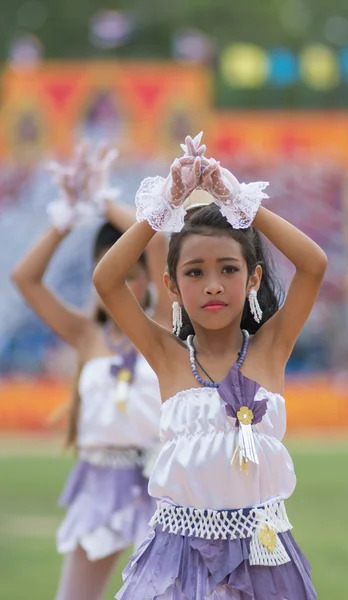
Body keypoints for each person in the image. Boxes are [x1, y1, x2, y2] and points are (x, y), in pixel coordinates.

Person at [93, 133, 326, 599]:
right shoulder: (166, 356)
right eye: (195, 272)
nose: (213, 285)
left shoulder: (271, 348)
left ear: (253, 276)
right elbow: (107, 279)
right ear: (172, 287)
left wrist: (236, 200)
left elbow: (313, 264)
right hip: (178, 563)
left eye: (229, 269)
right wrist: (164, 204)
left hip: (264, 558)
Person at [11, 143, 170, 600]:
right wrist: (68, 216)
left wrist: (101, 200)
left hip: (157, 479)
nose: (115, 282)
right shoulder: (86, 335)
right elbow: (25, 278)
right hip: (98, 478)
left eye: (126, 272)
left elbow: (156, 242)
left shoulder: (161, 328)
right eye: (102, 271)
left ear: (146, 278)